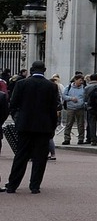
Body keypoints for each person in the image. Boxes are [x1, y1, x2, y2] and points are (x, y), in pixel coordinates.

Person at [5, 62, 60, 194]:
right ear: (44, 70)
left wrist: (18, 120)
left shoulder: (21, 84)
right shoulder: (51, 86)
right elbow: (54, 108)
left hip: (24, 125)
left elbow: (13, 105)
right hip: (44, 126)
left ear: (31, 70)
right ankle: (34, 186)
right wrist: (52, 126)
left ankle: (13, 185)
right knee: (40, 157)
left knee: (21, 156)